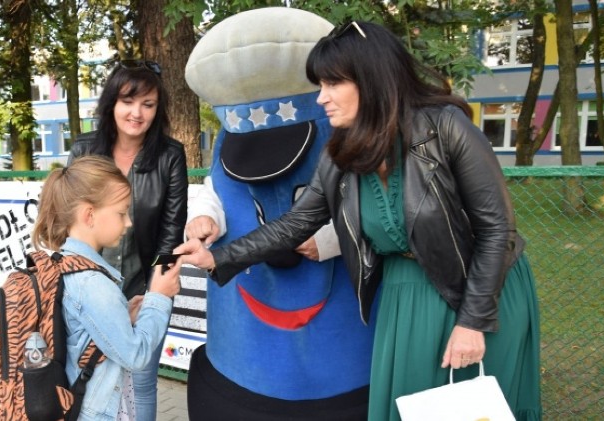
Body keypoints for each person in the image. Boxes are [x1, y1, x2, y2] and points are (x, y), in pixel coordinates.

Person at [176, 21, 541, 421]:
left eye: (333, 84)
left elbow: (497, 232)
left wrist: (473, 321)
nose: (322, 97)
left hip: (482, 286)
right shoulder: (341, 152)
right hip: (409, 291)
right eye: (320, 85)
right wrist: (220, 258)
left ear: (371, 79)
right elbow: (295, 224)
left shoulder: (445, 128)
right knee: (415, 407)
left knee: (474, 406)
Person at [182, 8, 374, 420]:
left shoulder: (350, 139)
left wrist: (329, 239)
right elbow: (218, 190)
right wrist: (204, 216)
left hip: (341, 363)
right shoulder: (226, 143)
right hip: (241, 353)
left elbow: (378, 211)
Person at [66, 59, 188, 421]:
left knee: (141, 379)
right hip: (91, 290)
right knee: (90, 379)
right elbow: (69, 225)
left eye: (148, 104)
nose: (137, 113)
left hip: (143, 287)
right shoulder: (84, 150)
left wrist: (153, 296)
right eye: (128, 101)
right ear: (111, 104)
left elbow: (170, 232)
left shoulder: (170, 155)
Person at [31, 156, 182, 421]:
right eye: (121, 213)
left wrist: (124, 316)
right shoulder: (92, 282)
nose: (129, 223)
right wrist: (159, 297)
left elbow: (83, 334)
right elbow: (136, 355)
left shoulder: (65, 262)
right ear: (89, 215)